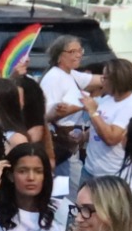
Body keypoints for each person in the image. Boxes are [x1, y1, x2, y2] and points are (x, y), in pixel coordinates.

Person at [40, 37, 97, 180]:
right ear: (59, 56)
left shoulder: (71, 74)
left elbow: (104, 79)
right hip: (60, 145)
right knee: (70, 193)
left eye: (80, 50)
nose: (78, 55)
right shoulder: (54, 78)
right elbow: (45, 115)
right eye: (72, 51)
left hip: (70, 147)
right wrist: (81, 107)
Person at [80, 59, 132, 183]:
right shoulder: (108, 99)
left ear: (116, 80)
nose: (102, 82)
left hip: (111, 175)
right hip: (89, 170)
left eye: (105, 78)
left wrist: (93, 113)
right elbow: (101, 124)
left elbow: (112, 138)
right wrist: (83, 136)